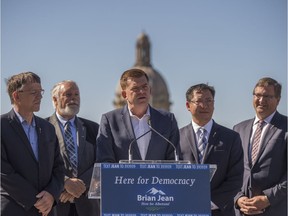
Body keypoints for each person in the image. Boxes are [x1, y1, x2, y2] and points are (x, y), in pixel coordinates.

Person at [1, 71, 64, 216]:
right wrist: (34, 199)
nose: (40, 96)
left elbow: (59, 168)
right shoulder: (2, 126)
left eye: (40, 92)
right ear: (16, 95)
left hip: (47, 210)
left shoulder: (48, 128)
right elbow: (3, 171)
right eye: (33, 92)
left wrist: (50, 194)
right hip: (13, 208)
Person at [179, 83, 244, 216]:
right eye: (199, 101)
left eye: (209, 101)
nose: (205, 105)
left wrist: (209, 203)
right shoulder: (176, 137)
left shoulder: (231, 137)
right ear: (188, 105)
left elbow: (236, 178)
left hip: (220, 211)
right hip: (185, 209)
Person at [96, 68, 180, 162]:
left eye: (145, 87)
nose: (142, 92)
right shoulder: (110, 120)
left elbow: (174, 159)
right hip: (123, 177)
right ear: (124, 95)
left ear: (150, 90)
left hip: (158, 177)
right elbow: (105, 161)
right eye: (135, 88)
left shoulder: (167, 120)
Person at [233, 77, 287, 216]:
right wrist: (238, 198)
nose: (261, 100)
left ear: (278, 100)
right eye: (258, 95)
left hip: (275, 210)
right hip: (242, 211)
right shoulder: (238, 129)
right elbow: (231, 171)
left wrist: (268, 198)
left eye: (267, 96)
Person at [46, 80, 100, 216]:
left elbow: (101, 162)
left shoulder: (93, 128)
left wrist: (79, 187)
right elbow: (39, 165)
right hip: (55, 205)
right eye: (68, 94)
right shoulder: (42, 128)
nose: (74, 98)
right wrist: (65, 183)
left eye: (77, 94)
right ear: (55, 99)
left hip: (88, 206)